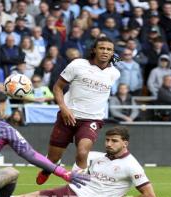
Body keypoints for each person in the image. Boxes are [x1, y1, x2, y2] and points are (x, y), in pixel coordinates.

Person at [6, 127, 156, 197]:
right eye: (107, 140)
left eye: (114, 141)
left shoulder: (132, 165)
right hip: (69, 191)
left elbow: (149, 196)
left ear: (125, 143)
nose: (109, 144)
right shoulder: (97, 157)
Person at [35, 37, 120, 185]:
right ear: (94, 50)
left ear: (112, 53)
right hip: (68, 116)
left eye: (109, 49)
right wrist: (63, 108)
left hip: (92, 119)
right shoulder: (78, 64)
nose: (105, 51)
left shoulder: (114, 73)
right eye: (102, 48)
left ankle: (76, 189)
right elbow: (57, 87)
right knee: (52, 159)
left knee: (82, 153)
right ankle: (48, 169)